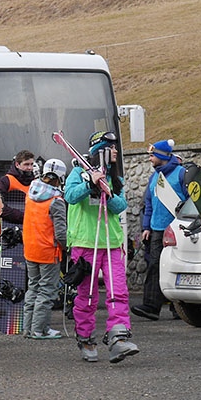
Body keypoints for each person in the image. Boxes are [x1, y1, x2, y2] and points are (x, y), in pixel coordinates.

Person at [64, 130, 138, 363]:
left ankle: (119, 337)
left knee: (118, 291)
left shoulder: (116, 178)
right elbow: (70, 196)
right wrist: (90, 183)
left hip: (112, 244)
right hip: (85, 244)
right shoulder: (77, 173)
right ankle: (85, 338)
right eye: (111, 147)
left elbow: (119, 206)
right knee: (87, 295)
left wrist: (108, 190)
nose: (116, 151)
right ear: (100, 151)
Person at [132, 139, 187, 321]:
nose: (149, 158)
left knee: (177, 266)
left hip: (175, 230)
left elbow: (189, 201)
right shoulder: (154, 176)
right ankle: (150, 306)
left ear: (162, 156)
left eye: (152, 155)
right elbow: (149, 203)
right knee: (155, 266)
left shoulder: (181, 174)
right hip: (156, 229)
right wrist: (146, 226)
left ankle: (178, 308)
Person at [22, 158, 69, 339]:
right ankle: (39, 330)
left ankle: (28, 328)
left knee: (33, 288)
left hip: (30, 249)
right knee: (47, 290)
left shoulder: (31, 192)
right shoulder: (56, 201)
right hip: (48, 251)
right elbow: (61, 233)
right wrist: (67, 248)